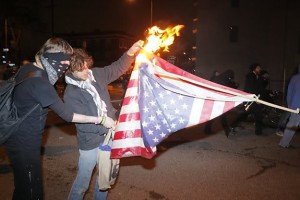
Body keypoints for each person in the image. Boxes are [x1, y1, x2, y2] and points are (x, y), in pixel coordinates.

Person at [3, 37, 115, 200]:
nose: (64, 70)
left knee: (23, 187)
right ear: (53, 59)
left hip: (15, 137)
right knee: (32, 191)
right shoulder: (40, 83)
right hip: (24, 144)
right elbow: (68, 115)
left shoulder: (28, 68)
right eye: (64, 64)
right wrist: (101, 120)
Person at [64, 41, 143, 200]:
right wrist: (104, 123)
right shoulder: (71, 93)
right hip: (91, 142)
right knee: (82, 183)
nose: (86, 71)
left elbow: (117, 68)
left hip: (109, 138)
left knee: (104, 180)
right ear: (71, 70)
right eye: (81, 69)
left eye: (87, 66)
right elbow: (83, 124)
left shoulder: (96, 75)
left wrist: (130, 52)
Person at [231, 63, 264, 135]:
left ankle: (258, 132)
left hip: (255, 99)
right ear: (254, 68)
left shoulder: (257, 76)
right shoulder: (250, 76)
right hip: (250, 99)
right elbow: (251, 89)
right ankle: (232, 125)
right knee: (244, 114)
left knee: (258, 114)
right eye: (258, 68)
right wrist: (255, 98)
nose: (260, 69)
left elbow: (259, 88)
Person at [204, 69, 239, 137]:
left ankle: (207, 129)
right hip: (219, 100)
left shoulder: (217, 78)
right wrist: (235, 85)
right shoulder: (225, 80)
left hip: (214, 99)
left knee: (214, 116)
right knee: (222, 116)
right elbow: (229, 88)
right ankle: (227, 130)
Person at [279, 65, 300, 148]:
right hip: (297, 106)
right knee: (292, 125)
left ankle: (283, 143)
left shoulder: (294, 78)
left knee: (291, 125)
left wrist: (290, 105)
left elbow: (289, 92)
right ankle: (283, 143)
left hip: (294, 106)